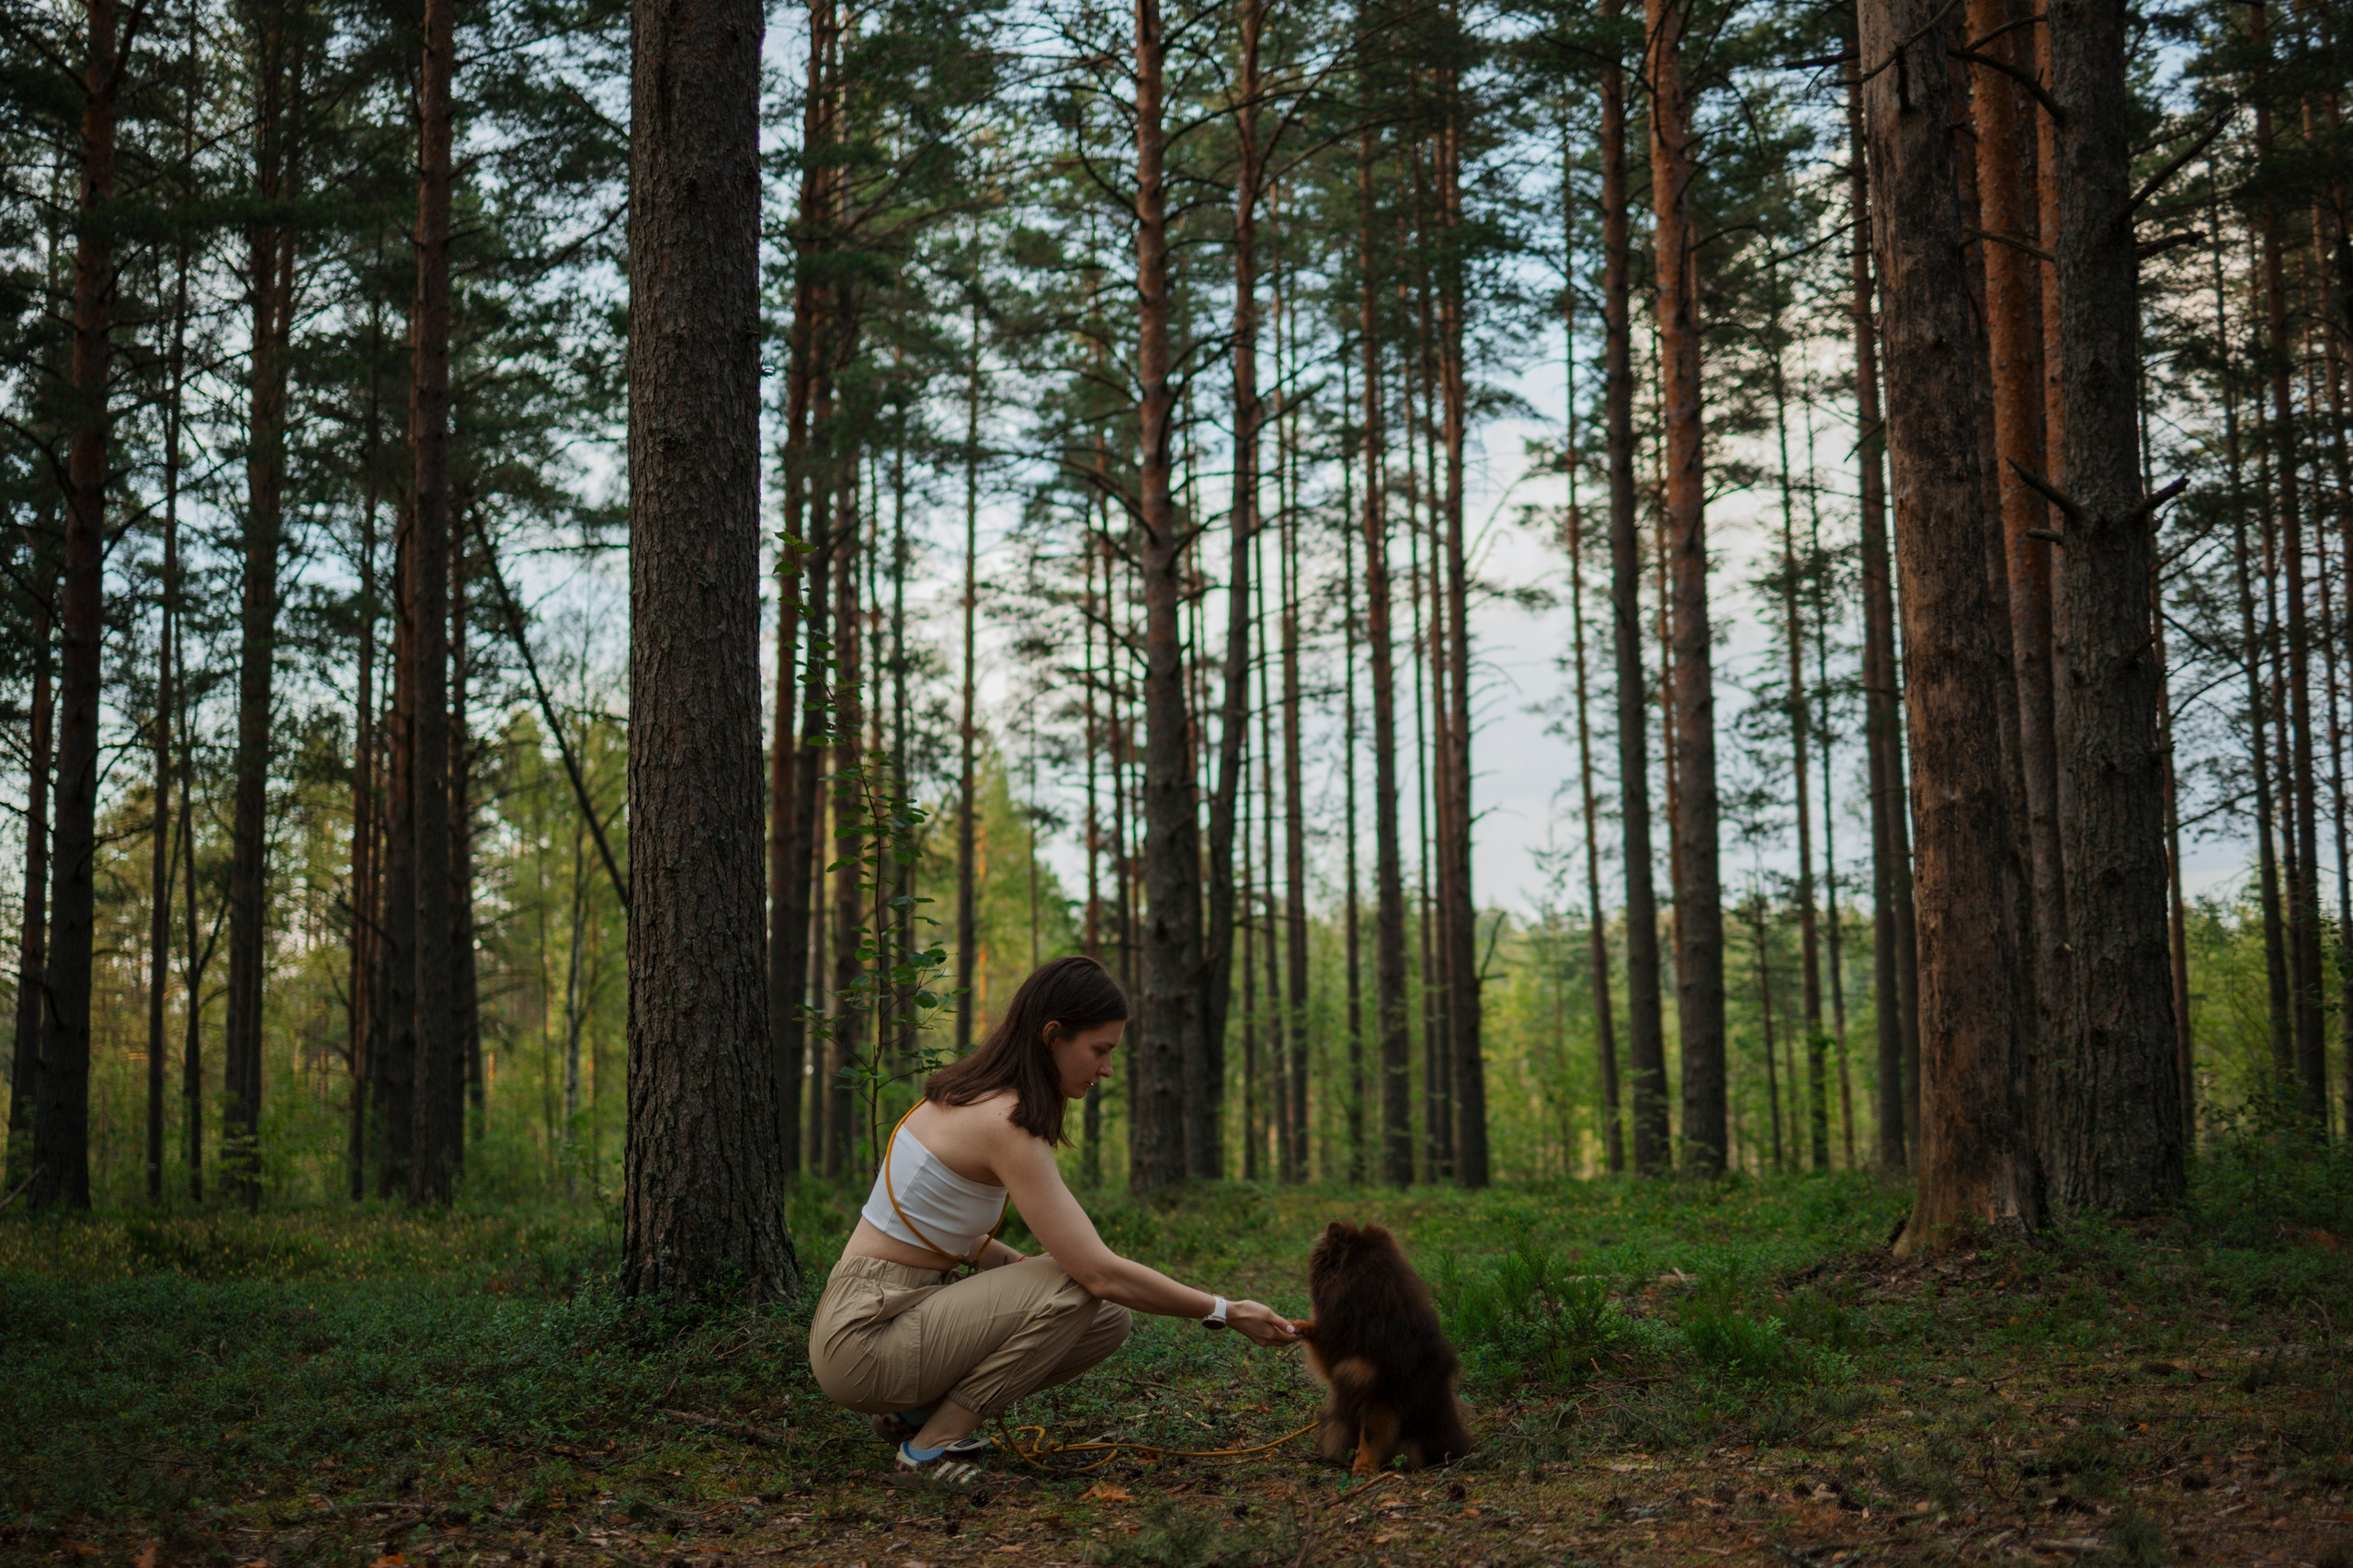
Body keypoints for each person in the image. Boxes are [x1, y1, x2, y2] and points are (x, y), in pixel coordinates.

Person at [808, 955, 1299, 1486]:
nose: (1106, 1069)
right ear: (1053, 1036)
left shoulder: (967, 1096)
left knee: (1107, 1317)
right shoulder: (1004, 1121)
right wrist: (1225, 1311)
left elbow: (949, 1235)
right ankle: (929, 1450)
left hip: (886, 1313)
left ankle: (916, 1415)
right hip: (867, 1336)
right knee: (1080, 1283)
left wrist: (1022, 1271)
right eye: (1100, 1050)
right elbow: (1098, 1273)